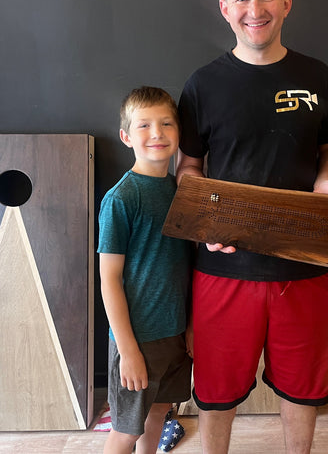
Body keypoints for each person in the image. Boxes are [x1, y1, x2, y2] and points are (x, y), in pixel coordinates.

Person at [176, 0, 328, 454]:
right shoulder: (203, 84)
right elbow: (189, 167)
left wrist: (325, 179)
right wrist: (207, 220)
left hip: (305, 268)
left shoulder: (316, 75)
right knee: (215, 395)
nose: (256, 8)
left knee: (304, 390)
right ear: (225, 9)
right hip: (223, 271)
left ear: (287, 2)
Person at [98, 86, 193, 454]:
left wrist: (188, 328)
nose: (157, 133)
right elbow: (109, 278)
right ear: (126, 136)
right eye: (144, 125)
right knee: (126, 430)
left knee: (159, 414)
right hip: (137, 338)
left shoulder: (181, 191)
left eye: (167, 123)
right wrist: (128, 350)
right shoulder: (122, 198)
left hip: (174, 334)